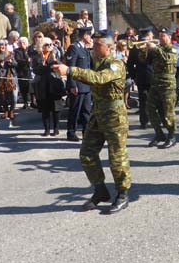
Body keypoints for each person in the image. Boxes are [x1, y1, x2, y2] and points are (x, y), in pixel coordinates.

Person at [52, 30, 131, 214]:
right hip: (98, 115)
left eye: (98, 45)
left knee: (117, 157)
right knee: (86, 154)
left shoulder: (116, 64)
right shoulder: (96, 61)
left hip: (114, 116)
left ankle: (122, 194)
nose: (93, 48)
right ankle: (100, 190)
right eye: (93, 44)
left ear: (109, 47)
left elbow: (99, 78)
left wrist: (70, 70)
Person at [143, 28, 179, 148]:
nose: (160, 38)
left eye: (163, 36)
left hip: (167, 84)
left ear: (169, 37)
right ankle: (159, 134)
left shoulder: (172, 49)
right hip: (155, 83)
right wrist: (145, 50)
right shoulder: (157, 49)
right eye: (159, 36)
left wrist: (155, 48)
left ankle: (172, 135)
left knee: (168, 112)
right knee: (149, 109)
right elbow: (144, 61)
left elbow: (168, 60)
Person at [65, 27, 93, 142]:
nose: (90, 37)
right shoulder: (74, 48)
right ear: (85, 35)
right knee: (75, 111)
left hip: (86, 86)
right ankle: (71, 133)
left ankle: (86, 132)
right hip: (77, 86)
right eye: (89, 35)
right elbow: (70, 67)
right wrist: (72, 85)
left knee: (86, 111)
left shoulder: (85, 49)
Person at [32, 37, 63, 136]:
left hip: (54, 83)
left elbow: (58, 67)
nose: (50, 46)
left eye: (51, 44)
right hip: (42, 85)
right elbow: (36, 70)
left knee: (56, 107)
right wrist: (43, 63)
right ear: (41, 46)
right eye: (47, 45)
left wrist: (53, 60)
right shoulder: (37, 57)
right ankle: (47, 129)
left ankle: (56, 128)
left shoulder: (55, 53)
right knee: (45, 108)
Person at [127, 28, 154, 129]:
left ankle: (144, 122)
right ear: (148, 35)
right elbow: (129, 64)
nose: (152, 37)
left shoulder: (136, 48)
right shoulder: (148, 47)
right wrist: (134, 77)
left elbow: (130, 65)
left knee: (144, 100)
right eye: (151, 35)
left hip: (141, 77)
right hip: (151, 76)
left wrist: (134, 76)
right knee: (150, 100)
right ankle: (149, 121)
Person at [0, 39, 18, 121]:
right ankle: (6, 111)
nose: (3, 46)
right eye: (1, 45)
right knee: (3, 97)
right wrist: (2, 62)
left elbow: (15, 64)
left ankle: (12, 110)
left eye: (4, 45)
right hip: (1, 78)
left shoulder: (10, 54)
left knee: (14, 96)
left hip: (11, 77)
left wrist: (10, 62)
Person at [14, 37, 31, 109]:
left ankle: (33, 102)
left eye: (23, 43)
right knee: (24, 88)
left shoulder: (29, 50)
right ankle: (25, 102)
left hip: (30, 71)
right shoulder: (17, 51)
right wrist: (27, 60)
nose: (22, 44)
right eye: (20, 43)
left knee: (31, 88)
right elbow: (18, 60)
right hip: (22, 72)